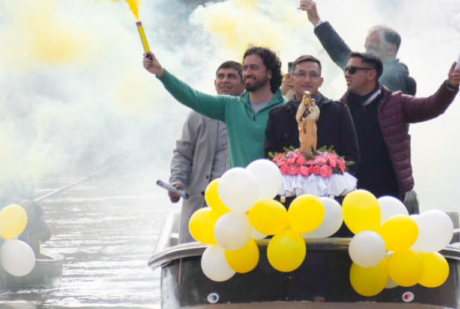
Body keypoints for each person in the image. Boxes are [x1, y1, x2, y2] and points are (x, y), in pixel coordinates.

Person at [341, 52, 460, 214]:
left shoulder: (396, 103)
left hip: (392, 191)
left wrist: (450, 85)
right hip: (352, 192)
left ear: (372, 74)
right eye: (346, 69)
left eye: (352, 70)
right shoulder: (339, 108)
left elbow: (432, 106)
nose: (346, 74)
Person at [143, 46, 286, 168]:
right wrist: (161, 73)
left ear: (269, 73)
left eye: (254, 68)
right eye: (246, 68)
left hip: (276, 195)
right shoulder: (230, 105)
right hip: (240, 193)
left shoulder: (287, 109)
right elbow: (192, 97)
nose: (247, 73)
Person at [168, 61, 245, 243]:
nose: (225, 81)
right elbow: (182, 153)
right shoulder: (198, 114)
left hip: (238, 202)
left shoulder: (250, 115)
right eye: (221, 76)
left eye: (232, 76)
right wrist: (177, 182)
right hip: (201, 202)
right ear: (215, 83)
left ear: (244, 84)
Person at [299, 0, 417, 95]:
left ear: (391, 49)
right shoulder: (374, 71)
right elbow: (344, 56)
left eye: (372, 48)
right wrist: (316, 21)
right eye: (366, 48)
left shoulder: (393, 77)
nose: (365, 54)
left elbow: (346, 59)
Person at [265, 55, 360, 171]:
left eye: (313, 75)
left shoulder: (338, 111)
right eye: (301, 74)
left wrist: (334, 175)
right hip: (290, 186)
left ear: (320, 82)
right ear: (291, 79)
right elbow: (270, 158)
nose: (307, 80)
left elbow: (351, 155)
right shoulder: (278, 115)